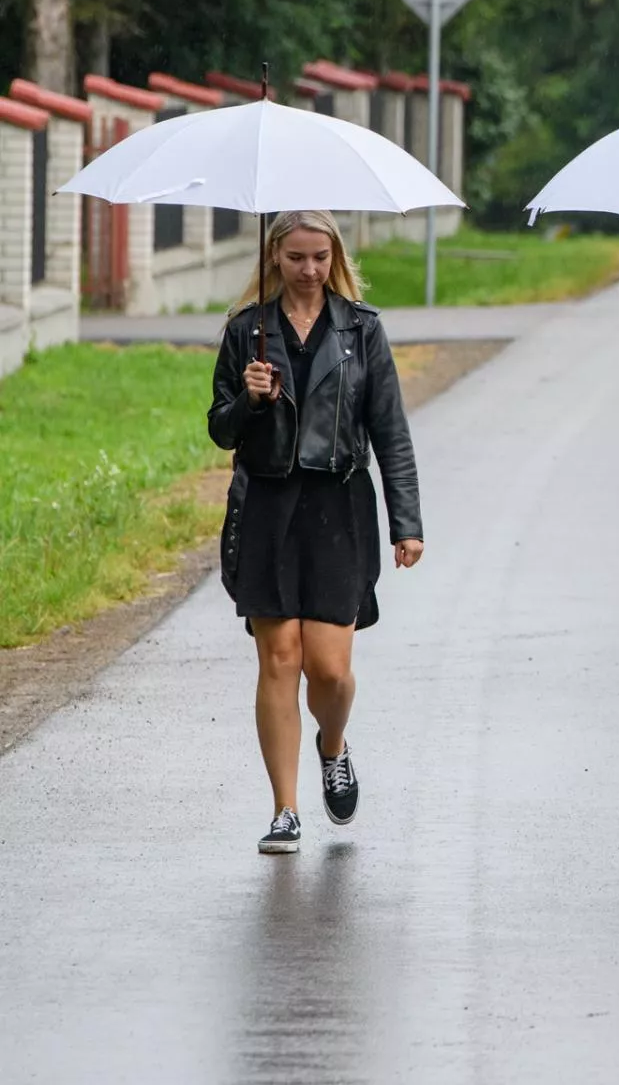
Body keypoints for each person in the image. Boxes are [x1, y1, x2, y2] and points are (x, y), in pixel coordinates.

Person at [208, 210, 423, 855]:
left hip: (339, 506)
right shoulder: (246, 332)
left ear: (335, 259)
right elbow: (221, 430)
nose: (309, 270)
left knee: (329, 669)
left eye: (320, 258)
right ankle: (284, 811)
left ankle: (333, 744)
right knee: (278, 659)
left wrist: (406, 521)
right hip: (268, 506)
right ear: (276, 257)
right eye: (297, 257)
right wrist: (248, 399)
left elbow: (391, 433)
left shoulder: (362, 330)